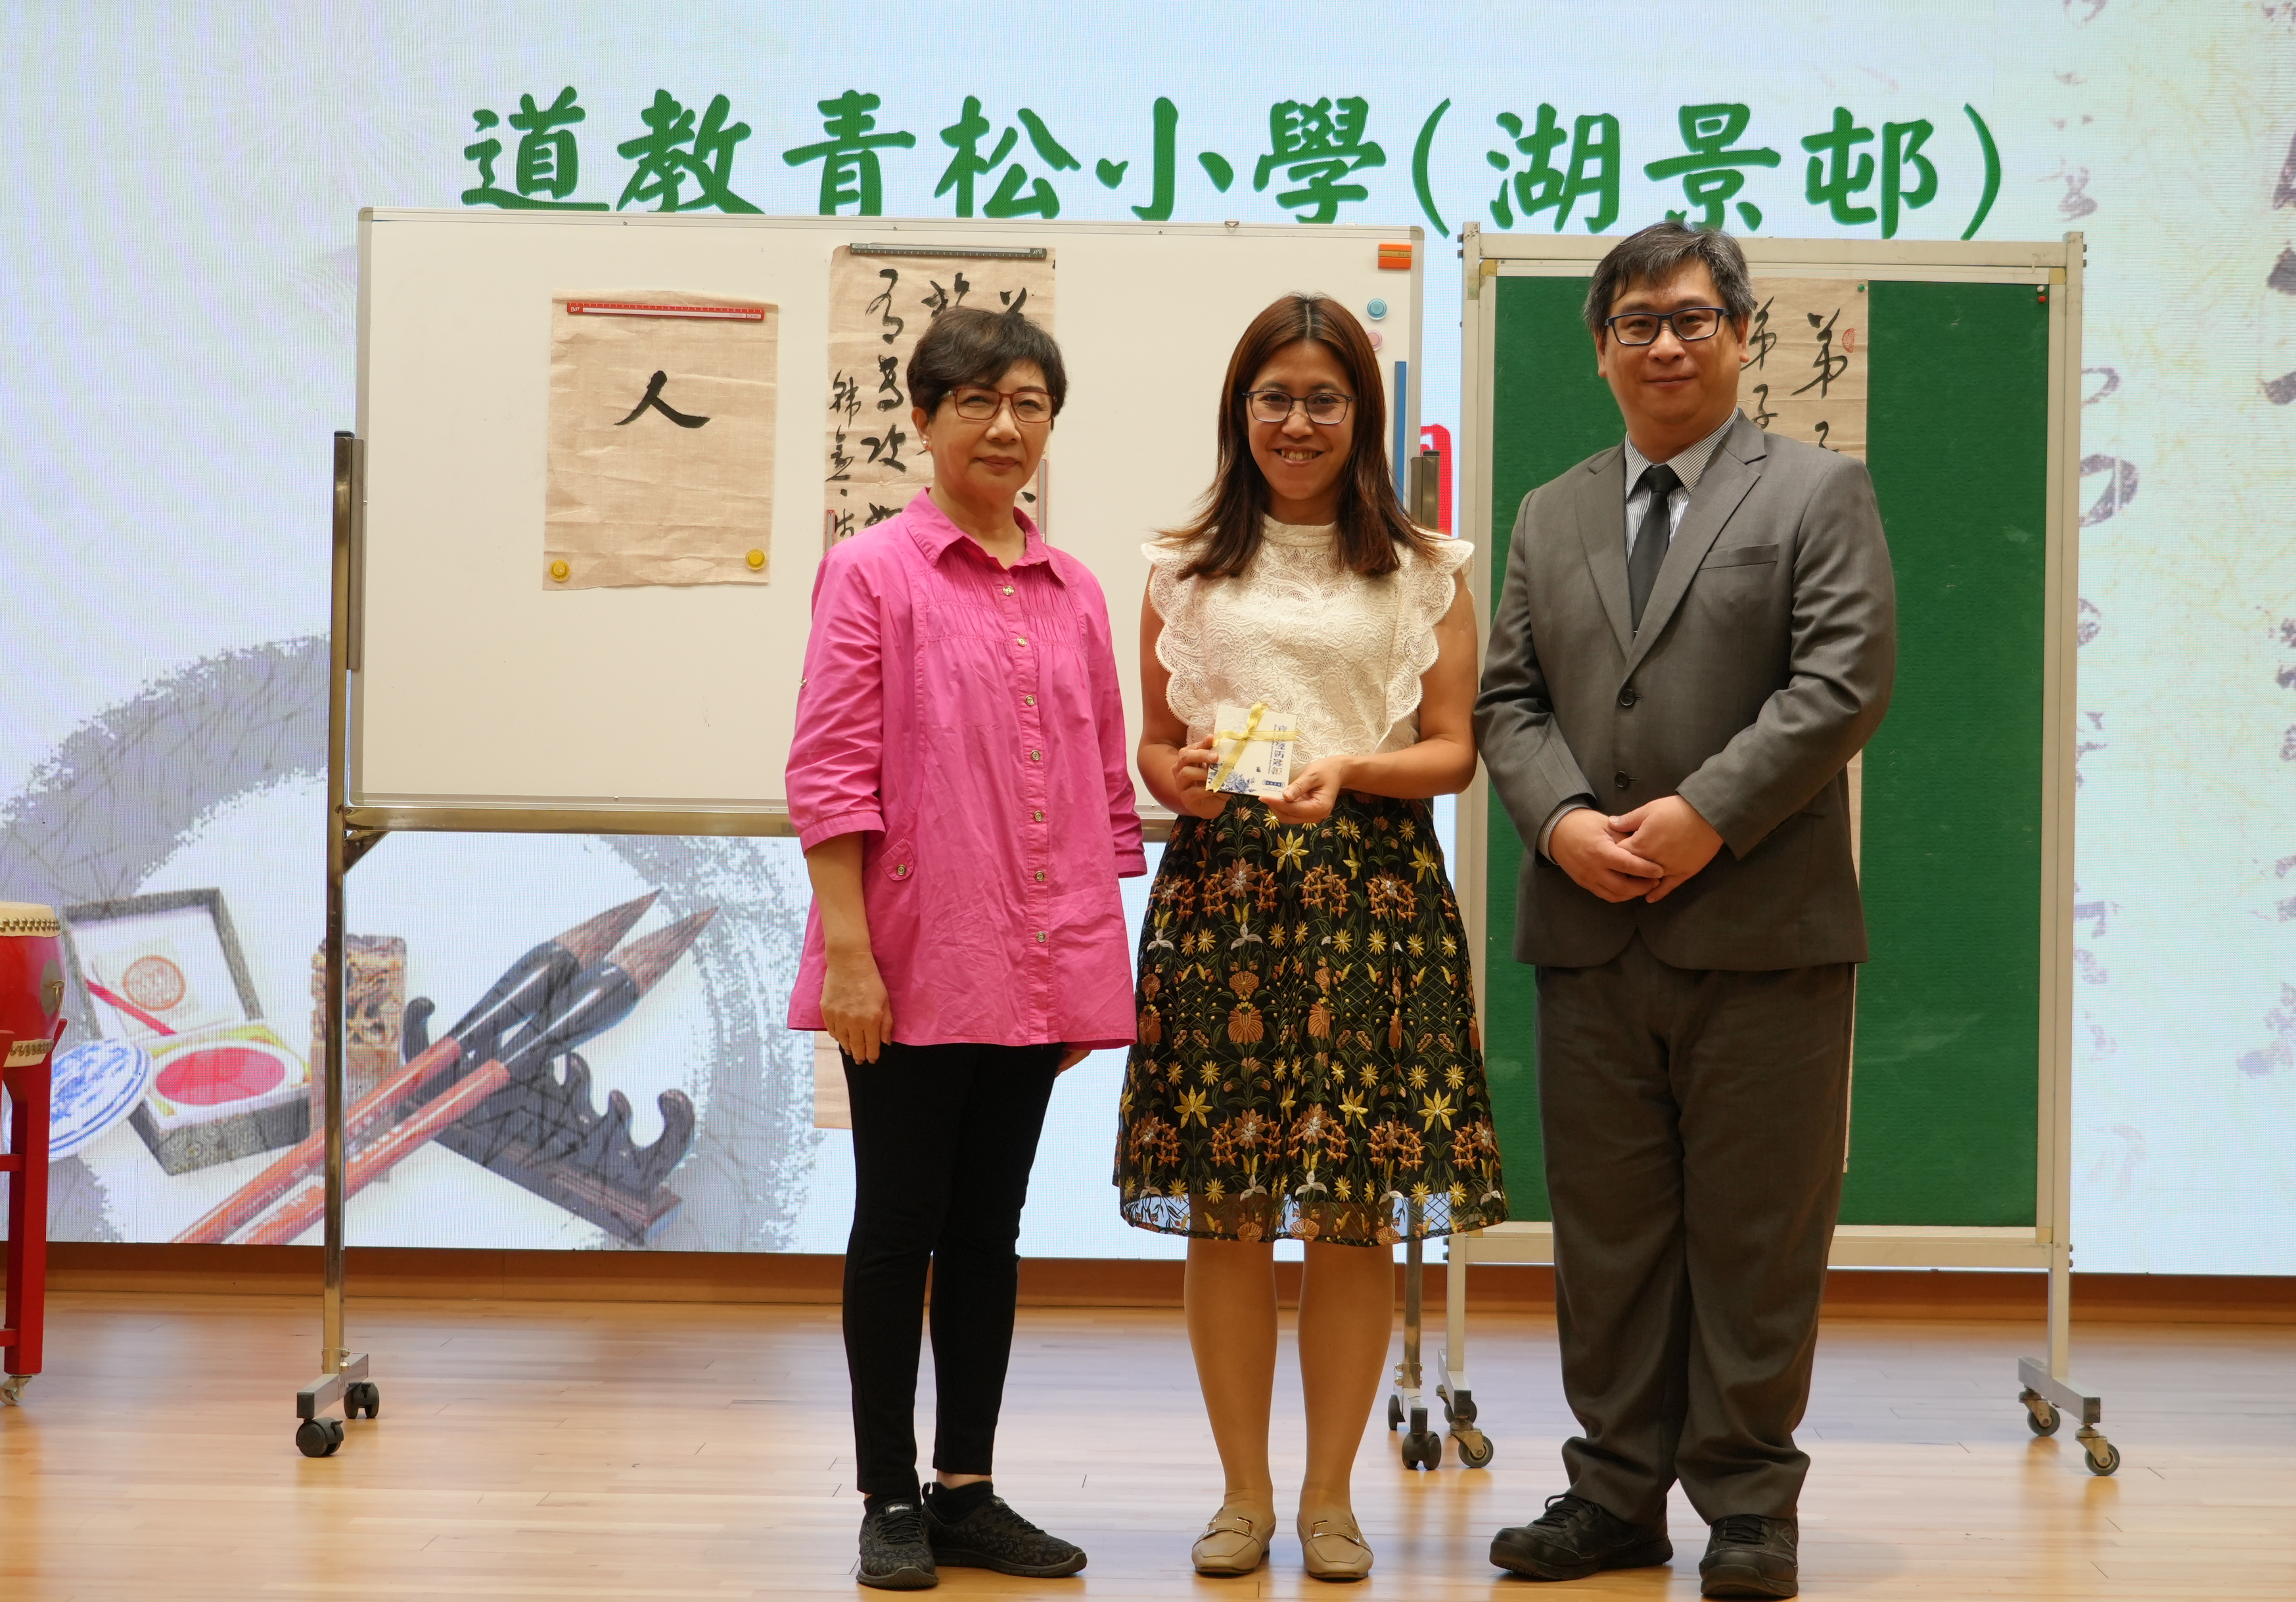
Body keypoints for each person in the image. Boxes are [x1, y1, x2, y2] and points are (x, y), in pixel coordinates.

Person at [1473, 222, 1896, 1601]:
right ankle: (1613, 1496)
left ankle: (1750, 1507)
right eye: (1637, 322)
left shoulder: (1818, 490)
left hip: (1767, 934)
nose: (1665, 343)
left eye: (1693, 318)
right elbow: (1506, 700)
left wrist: (1705, 813)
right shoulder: (1550, 512)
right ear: (1599, 349)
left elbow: (1843, 682)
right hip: (1589, 929)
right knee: (1607, 1236)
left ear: (1742, 336)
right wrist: (1561, 821)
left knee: (1758, 1236)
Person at [1114, 292, 1505, 1584]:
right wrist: (1173, 779)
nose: (1297, 422)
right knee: (1227, 1213)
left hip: (1374, 902)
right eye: (1274, 397)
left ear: (1361, 415)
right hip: (1221, 902)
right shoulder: (1181, 566)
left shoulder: (1425, 566)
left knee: (1353, 1215)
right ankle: (1243, 1498)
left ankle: (1331, 1500)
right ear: (1241, 411)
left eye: (1323, 399)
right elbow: (1157, 744)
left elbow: (1452, 751)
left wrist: (1352, 769)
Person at [787, 305, 1143, 1591]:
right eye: (979, 402)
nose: (1006, 427)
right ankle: (888, 1497)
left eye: (1030, 403)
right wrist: (849, 957)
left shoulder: (1076, 589)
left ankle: (968, 1492)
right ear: (926, 418)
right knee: (899, 1224)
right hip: (909, 957)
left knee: (991, 1230)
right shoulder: (871, 571)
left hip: (1036, 961)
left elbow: (1101, 788)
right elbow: (829, 775)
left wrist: (1081, 974)